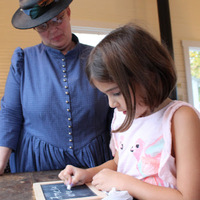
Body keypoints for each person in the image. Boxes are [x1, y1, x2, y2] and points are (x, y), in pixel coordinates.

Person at [58, 23, 200, 200]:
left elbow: (188, 197)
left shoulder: (181, 118)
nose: (111, 104)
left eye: (116, 93)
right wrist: (87, 174)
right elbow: (119, 163)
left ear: (148, 77)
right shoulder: (122, 116)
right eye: (106, 95)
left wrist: (124, 183)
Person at [0, 0, 113, 174]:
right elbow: (10, 113)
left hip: (95, 162)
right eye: (42, 26)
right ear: (34, 27)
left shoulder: (101, 58)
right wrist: (1, 162)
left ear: (67, 12)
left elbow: (118, 114)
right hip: (36, 163)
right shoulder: (23, 61)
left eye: (57, 19)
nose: (52, 30)